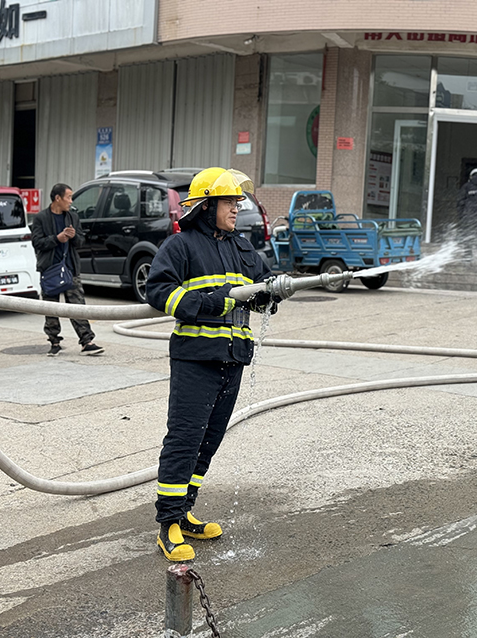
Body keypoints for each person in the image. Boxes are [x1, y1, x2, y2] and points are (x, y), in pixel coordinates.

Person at [146, 167, 278, 561]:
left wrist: (272, 292)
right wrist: (207, 304)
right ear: (205, 206)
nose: (236, 208)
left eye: (238, 202)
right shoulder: (181, 246)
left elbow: (263, 285)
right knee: (185, 439)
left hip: (232, 359)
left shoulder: (242, 248)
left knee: (209, 441)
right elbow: (159, 290)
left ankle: (185, 512)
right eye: (229, 201)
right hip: (195, 359)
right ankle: (168, 525)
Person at [31, 183, 104, 356]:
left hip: (70, 268)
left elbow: (81, 241)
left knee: (78, 306)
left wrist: (73, 236)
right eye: (68, 197)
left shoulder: (72, 217)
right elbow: (37, 242)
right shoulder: (41, 217)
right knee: (50, 307)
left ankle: (87, 342)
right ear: (57, 198)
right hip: (49, 269)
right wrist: (57, 239)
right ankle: (54, 342)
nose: (71, 201)